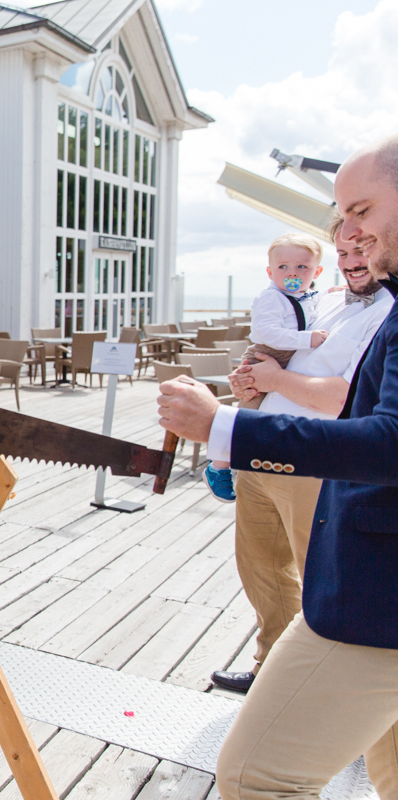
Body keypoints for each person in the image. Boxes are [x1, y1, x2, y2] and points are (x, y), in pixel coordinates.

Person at [157, 133, 398, 800]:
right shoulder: (338, 306)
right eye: (341, 217)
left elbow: (386, 438)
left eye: (362, 210)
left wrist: (223, 424)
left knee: (254, 777)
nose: (348, 231)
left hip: (376, 600)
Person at [207, 218, 392, 695]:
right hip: (262, 452)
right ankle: (272, 673)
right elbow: (280, 354)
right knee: (261, 568)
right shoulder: (324, 300)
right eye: (344, 253)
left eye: (362, 250)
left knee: (322, 577)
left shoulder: (387, 314)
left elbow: (344, 399)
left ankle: (327, 693)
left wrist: (270, 380)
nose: (353, 262)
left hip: (316, 462)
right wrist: (250, 379)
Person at [205, 233, 327, 503]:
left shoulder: (308, 296)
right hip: (266, 354)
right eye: (283, 267)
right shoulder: (271, 298)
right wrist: (308, 339)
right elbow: (268, 333)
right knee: (249, 412)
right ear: (270, 271)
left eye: (301, 267)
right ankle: (219, 466)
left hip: (284, 357)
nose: (291, 272)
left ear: (316, 271)